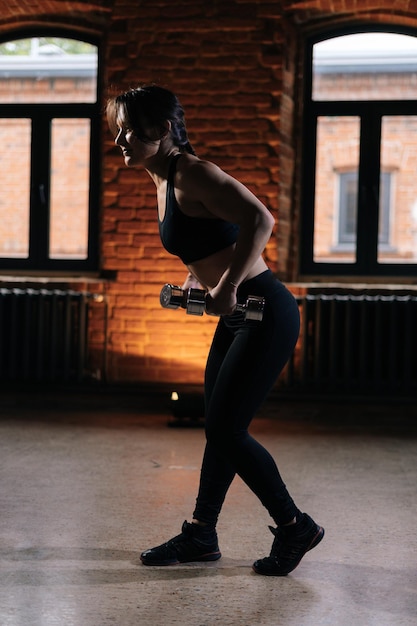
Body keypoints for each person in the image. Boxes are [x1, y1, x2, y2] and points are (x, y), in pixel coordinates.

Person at [106, 84, 324, 576]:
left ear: (162, 130)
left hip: (264, 310)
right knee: (219, 430)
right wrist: (198, 278)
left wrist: (224, 285)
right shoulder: (163, 177)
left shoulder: (194, 173)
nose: (119, 139)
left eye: (128, 129)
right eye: (117, 128)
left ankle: (295, 527)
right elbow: (209, 239)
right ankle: (202, 534)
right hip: (237, 315)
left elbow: (260, 219)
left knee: (226, 428)